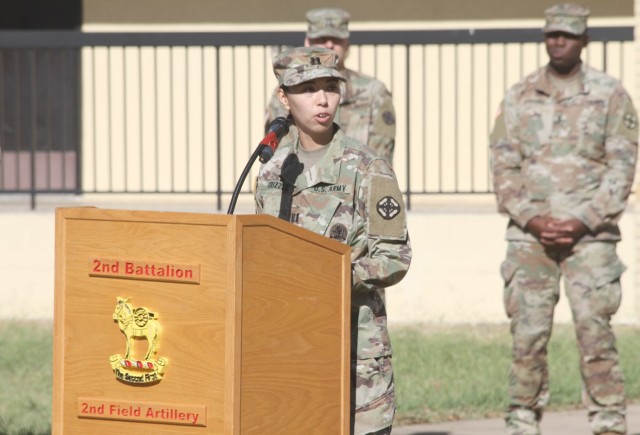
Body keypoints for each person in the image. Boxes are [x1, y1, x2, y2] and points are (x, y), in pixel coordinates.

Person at [489, 4, 638, 435]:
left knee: (595, 334)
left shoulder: (610, 95)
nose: (559, 41)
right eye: (552, 34)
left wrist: (583, 220)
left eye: (568, 35)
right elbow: (502, 165)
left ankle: (608, 421)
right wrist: (532, 218)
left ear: (584, 40)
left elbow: (622, 167)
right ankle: (521, 421)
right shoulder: (518, 96)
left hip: (591, 239)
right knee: (527, 337)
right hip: (528, 239)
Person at [255, 46, 411, 435]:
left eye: (330, 87)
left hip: (354, 352)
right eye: (308, 89)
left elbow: (394, 256)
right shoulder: (271, 170)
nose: (322, 99)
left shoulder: (368, 168)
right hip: (288, 349)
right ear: (283, 98)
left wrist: (331, 276)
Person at [265, 7, 397, 164]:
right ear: (308, 42)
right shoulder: (289, 93)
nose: (329, 44)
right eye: (321, 38)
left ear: (347, 43)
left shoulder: (374, 92)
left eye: (336, 39)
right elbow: (279, 151)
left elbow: (380, 157)